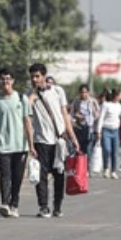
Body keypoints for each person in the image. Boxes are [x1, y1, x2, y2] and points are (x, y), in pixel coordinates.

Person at [27, 63, 80, 219]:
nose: (34, 80)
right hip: (41, 141)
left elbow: (65, 115)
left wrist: (73, 138)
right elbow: (25, 117)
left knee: (59, 175)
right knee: (41, 176)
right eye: (32, 77)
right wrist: (33, 96)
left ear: (44, 76)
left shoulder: (57, 91)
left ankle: (57, 206)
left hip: (59, 141)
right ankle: (43, 206)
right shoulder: (29, 95)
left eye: (37, 76)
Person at [0, 67, 33, 218]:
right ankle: (5, 203)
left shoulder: (21, 99)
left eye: (8, 79)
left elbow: (27, 122)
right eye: (3, 79)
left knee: (17, 177)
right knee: (5, 175)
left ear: (13, 81)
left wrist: (31, 145)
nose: (5, 82)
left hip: (20, 146)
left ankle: (15, 204)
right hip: (2, 145)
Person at [97, 89, 121, 178]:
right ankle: (105, 168)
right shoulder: (106, 105)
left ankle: (113, 171)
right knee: (107, 150)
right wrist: (98, 131)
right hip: (106, 130)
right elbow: (101, 118)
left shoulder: (118, 106)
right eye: (120, 95)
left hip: (115, 131)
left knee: (115, 152)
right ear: (116, 96)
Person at [69, 84, 100, 165]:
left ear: (88, 92)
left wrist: (94, 111)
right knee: (79, 148)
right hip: (80, 128)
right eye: (82, 92)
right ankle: (79, 167)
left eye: (85, 92)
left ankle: (87, 168)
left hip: (90, 128)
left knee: (89, 149)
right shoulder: (76, 101)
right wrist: (76, 117)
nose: (83, 94)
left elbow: (97, 116)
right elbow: (71, 115)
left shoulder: (93, 101)